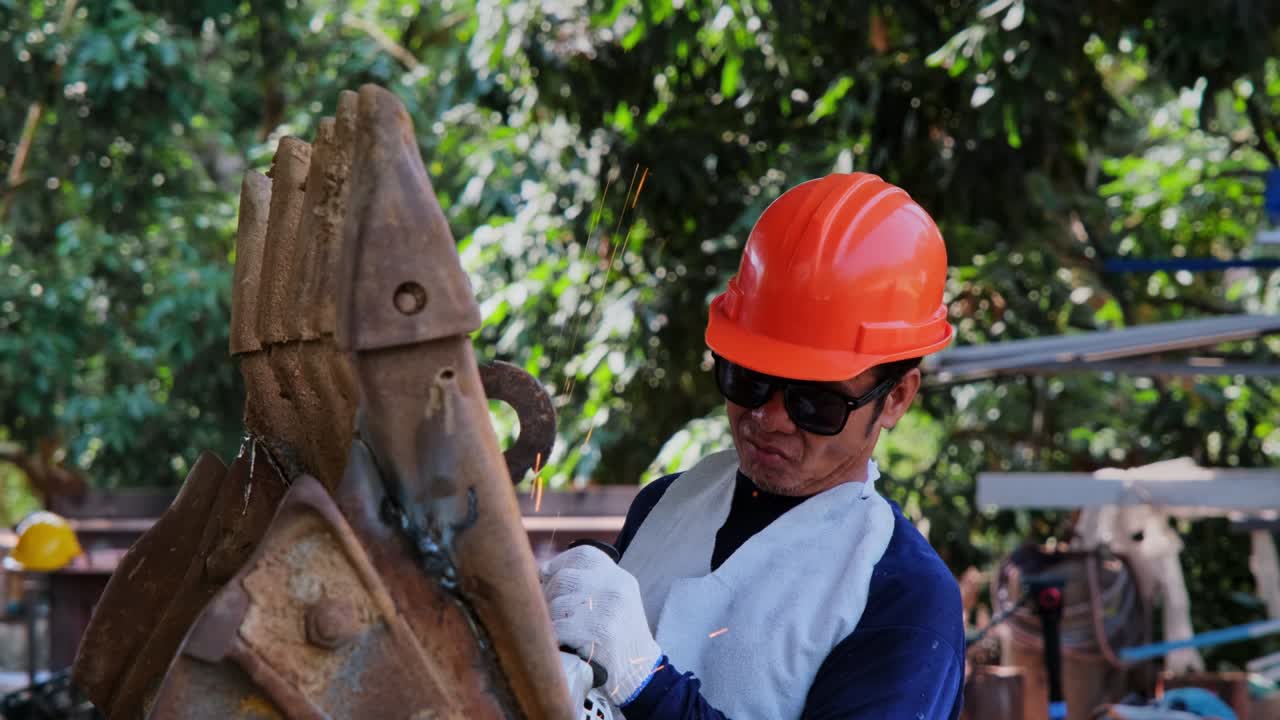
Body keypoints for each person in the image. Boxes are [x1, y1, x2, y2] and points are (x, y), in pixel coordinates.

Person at [542, 172, 965, 719]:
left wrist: (646, 683)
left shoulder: (903, 598)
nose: (768, 419)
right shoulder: (664, 505)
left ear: (896, 398)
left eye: (815, 403)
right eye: (748, 380)